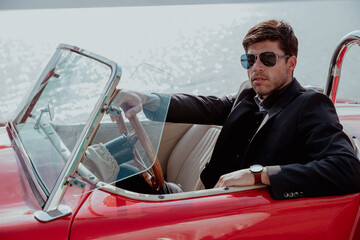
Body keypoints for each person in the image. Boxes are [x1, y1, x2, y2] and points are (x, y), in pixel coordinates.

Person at [114, 19, 360, 199]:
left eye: (268, 59)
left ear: (291, 63)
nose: (256, 67)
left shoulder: (310, 105)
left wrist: (258, 175)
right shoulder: (248, 93)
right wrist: (147, 99)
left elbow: (347, 169)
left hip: (238, 213)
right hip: (204, 198)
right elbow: (207, 105)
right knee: (123, 172)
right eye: (249, 60)